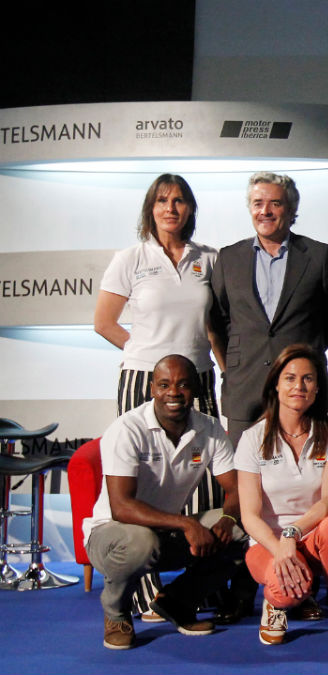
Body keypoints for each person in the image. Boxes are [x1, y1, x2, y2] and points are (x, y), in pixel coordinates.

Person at [93, 173, 227, 622]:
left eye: (180, 201)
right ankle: (143, 589)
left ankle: (196, 584)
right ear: (150, 208)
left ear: (191, 209)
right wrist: (146, 358)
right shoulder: (131, 258)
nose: (171, 208)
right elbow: (105, 322)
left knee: (202, 481)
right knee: (145, 480)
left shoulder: (207, 258)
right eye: (162, 200)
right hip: (144, 379)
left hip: (200, 377)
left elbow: (214, 326)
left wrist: (227, 370)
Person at [82, 355, 245, 650]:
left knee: (244, 528)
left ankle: (177, 602)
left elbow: (236, 490)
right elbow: (121, 507)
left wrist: (228, 520)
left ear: (195, 389)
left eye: (183, 384)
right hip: (111, 535)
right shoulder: (127, 429)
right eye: (164, 384)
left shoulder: (208, 428)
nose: (173, 392)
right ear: (153, 390)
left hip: (164, 532)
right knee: (141, 541)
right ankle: (117, 614)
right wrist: (185, 523)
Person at [234, 344, 328, 656]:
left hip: (314, 536)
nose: (299, 386)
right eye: (290, 378)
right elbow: (250, 516)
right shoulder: (252, 438)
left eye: (308, 379)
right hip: (267, 543)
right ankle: (276, 603)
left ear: (318, 388)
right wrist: (281, 548)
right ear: (275, 384)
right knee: (287, 593)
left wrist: (293, 533)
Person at [210, 171, 328, 446]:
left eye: (276, 203)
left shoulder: (318, 256)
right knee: (244, 481)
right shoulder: (228, 258)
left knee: (305, 479)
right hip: (244, 388)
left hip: (302, 390)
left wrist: (307, 351)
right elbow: (219, 321)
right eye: (258, 203)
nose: (265, 211)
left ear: (292, 209)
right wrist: (230, 368)